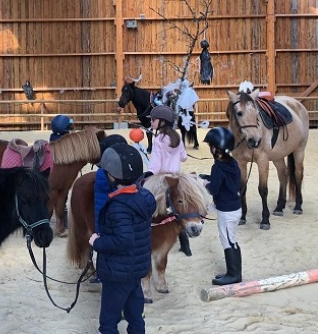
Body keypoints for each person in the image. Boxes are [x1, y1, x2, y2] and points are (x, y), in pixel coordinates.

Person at [90, 144, 156, 334]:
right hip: (135, 269)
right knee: (136, 316)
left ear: (111, 177)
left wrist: (97, 242)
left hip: (117, 273)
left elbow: (123, 240)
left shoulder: (118, 206)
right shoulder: (145, 196)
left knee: (108, 322)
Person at [145, 105, 192, 256]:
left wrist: (147, 175)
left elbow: (156, 165)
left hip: (163, 180)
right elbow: (184, 157)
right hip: (177, 180)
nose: (151, 122)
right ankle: (185, 245)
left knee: (152, 209)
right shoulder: (177, 137)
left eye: (154, 120)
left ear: (162, 122)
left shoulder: (159, 139)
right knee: (176, 211)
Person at [203, 127, 243, 286]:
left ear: (215, 148)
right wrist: (209, 177)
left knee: (228, 240)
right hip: (235, 207)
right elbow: (228, 180)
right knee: (231, 239)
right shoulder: (232, 163)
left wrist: (205, 183)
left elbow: (214, 189)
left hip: (227, 211)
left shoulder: (217, 167)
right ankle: (232, 272)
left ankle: (234, 274)